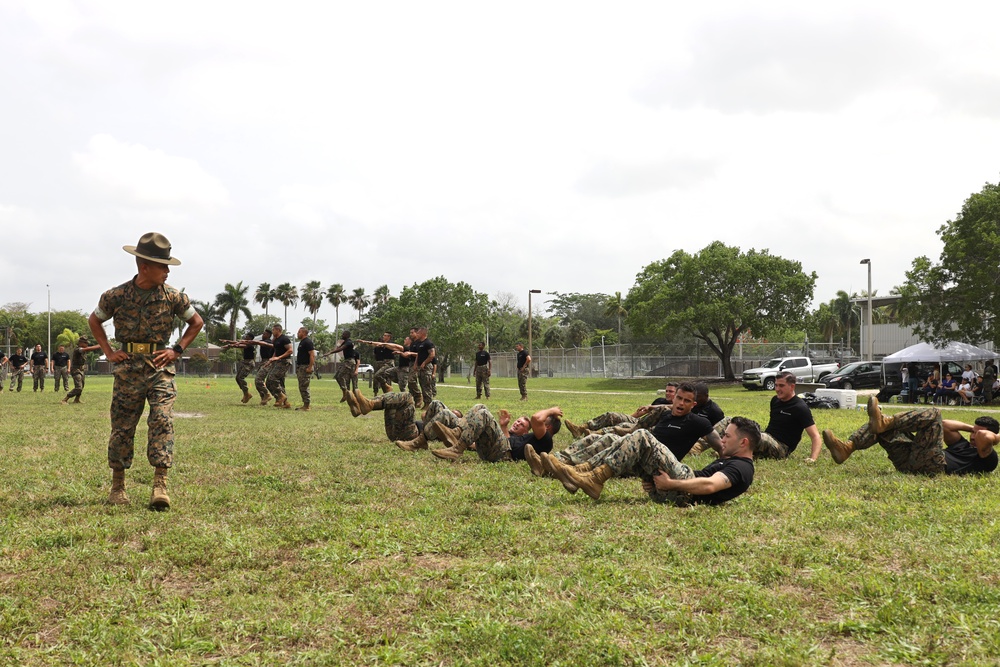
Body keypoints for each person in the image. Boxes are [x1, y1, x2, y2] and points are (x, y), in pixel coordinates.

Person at [89, 232, 204, 509]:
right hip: (127, 369)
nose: (167, 271)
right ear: (144, 267)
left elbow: (197, 322)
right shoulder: (115, 295)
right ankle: (118, 488)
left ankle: (160, 486)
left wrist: (176, 350)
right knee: (122, 426)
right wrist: (108, 351)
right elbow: (95, 320)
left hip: (160, 367)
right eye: (162, 266)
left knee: (162, 419)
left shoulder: (174, 296)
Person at [540, 415, 759, 505]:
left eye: (727, 436)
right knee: (625, 443)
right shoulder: (733, 460)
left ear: (743, 443)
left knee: (643, 437)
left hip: (683, 492)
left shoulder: (742, 467)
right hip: (679, 488)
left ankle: (594, 478)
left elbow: (711, 485)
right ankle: (580, 473)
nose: (722, 439)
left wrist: (671, 484)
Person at [824, 396, 999, 476]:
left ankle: (887, 421)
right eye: (973, 432)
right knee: (879, 427)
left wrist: (994, 436)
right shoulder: (963, 444)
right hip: (909, 463)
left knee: (935, 413)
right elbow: (945, 426)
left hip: (934, 467)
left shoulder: (987, 457)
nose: (974, 435)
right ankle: (847, 448)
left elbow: (984, 437)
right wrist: (971, 428)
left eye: (978, 432)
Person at [431, 404, 564, 463]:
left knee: (484, 414)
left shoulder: (546, 440)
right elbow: (509, 442)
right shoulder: (532, 437)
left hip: (502, 454)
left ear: (548, 426)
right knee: (480, 406)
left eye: (544, 421)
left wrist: (551, 410)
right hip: (501, 449)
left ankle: (457, 449)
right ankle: (456, 433)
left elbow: (535, 418)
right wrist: (503, 426)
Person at [564, 383, 678, 439]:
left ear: (677, 393)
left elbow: (667, 408)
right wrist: (623, 417)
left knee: (622, 426)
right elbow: (641, 413)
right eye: (667, 391)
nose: (668, 393)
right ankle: (580, 429)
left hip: (649, 427)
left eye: (671, 391)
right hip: (638, 422)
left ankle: (594, 434)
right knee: (612, 415)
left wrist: (651, 408)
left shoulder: (677, 407)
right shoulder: (659, 400)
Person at [62, 336, 101, 404]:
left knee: (82, 386)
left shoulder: (83, 350)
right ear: (81, 343)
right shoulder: (78, 349)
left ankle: (77, 399)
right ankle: (65, 399)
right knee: (78, 387)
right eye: (85, 343)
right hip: (75, 370)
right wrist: (100, 346)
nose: (87, 344)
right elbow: (88, 349)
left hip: (81, 370)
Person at [263, 324, 293, 409]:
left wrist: (279, 357)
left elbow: (290, 350)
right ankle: (285, 402)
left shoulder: (284, 339)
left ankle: (280, 396)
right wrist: (270, 361)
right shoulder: (276, 340)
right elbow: (276, 352)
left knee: (272, 378)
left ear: (278, 330)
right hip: (278, 362)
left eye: (273, 330)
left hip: (284, 362)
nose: (272, 332)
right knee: (269, 382)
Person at [329, 330, 359, 403]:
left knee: (352, 381)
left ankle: (353, 396)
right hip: (346, 361)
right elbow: (339, 347)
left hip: (350, 362)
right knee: (339, 377)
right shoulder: (345, 342)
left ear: (347, 335)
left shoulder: (349, 342)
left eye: (343, 334)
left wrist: (330, 352)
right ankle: (346, 393)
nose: (342, 335)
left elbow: (340, 349)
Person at [413, 326, 436, 408]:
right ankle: (425, 403)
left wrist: (424, 363)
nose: (417, 334)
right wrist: (415, 364)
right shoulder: (419, 343)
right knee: (422, 384)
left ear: (423, 333)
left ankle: (429, 403)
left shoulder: (428, 343)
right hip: (420, 367)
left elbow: (432, 355)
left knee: (427, 385)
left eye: (418, 333)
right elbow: (418, 355)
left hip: (426, 367)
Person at [295, 326, 316, 411]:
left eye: (299, 332)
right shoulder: (302, 342)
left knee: (304, 386)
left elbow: (312, 354)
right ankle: (305, 404)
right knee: (302, 386)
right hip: (301, 367)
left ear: (304, 333)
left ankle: (306, 406)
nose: (298, 333)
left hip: (305, 366)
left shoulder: (307, 342)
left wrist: (310, 367)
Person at [252, 328, 275, 404]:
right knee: (257, 381)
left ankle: (267, 394)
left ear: (268, 335)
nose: (263, 335)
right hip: (263, 361)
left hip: (268, 362)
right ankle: (264, 398)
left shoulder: (268, 342)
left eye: (264, 334)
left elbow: (258, 343)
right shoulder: (263, 342)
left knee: (259, 380)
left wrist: (248, 342)